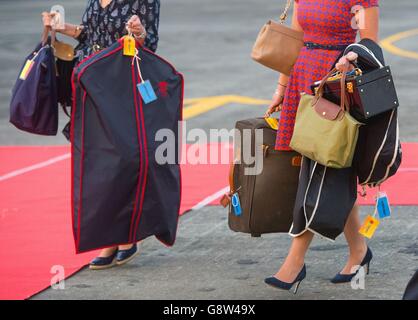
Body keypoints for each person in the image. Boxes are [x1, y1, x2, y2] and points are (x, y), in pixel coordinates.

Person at [264, 0, 379, 293]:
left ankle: (294, 262)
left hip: (334, 84)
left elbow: (369, 46)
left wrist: (350, 59)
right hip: (303, 79)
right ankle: (359, 251)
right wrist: (280, 87)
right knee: (327, 171)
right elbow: (296, 42)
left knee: (320, 171)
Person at [42, 0, 161, 270]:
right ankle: (111, 236)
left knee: (122, 162)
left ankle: (126, 234)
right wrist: (63, 28)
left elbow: (149, 44)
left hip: (121, 87)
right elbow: (92, 35)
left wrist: (139, 32)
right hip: (88, 84)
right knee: (98, 165)